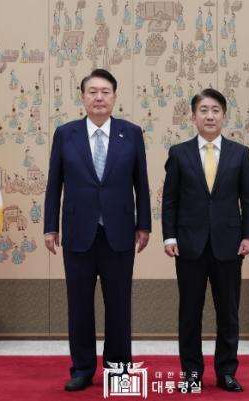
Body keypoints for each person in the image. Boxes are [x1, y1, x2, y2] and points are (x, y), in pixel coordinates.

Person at [44, 69, 152, 391]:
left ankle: (118, 369)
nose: (99, 97)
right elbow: (54, 184)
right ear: (83, 97)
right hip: (78, 231)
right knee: (79, 304)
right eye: (93, 92)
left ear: (115, 97)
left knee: (118, 305)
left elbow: (141, 183)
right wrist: (50, 227)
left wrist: (144, 224)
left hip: (119, 232)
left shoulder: (131, 133)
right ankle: (81, 369)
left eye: (105, 92)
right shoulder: (66, 134)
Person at [162, 88, 249, 392]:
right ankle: (191, 373)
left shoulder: (239, 153)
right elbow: (170, 201)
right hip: (189, 245)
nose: (210, 115)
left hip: (229, 245)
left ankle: (227, 372)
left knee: (228, 313)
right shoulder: (179, 153)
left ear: (224, 115)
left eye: (215, 110)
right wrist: (169, 236)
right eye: (203, 110)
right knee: (189, 313)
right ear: (193, 117)